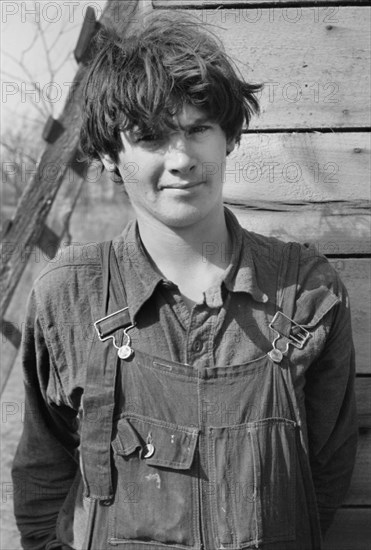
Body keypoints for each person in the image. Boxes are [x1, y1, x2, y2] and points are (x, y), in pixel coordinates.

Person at [12, 11, 358, 550]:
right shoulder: (67, 296)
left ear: (228, 139)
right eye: (150, 137)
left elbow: (326, 470)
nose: (181, 159)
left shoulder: (308, 293)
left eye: (198, 129)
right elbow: (44, 470)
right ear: (109, 154)